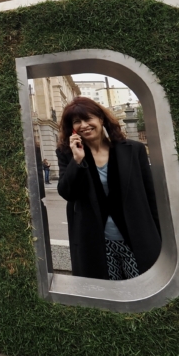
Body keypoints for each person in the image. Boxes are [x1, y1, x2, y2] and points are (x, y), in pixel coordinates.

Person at [56, 97, 161, 281]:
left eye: (88, 119)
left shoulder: (133, 150)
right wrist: (77, 160)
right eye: (77, 122)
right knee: (109, 299)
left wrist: (160, 236)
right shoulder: (69, 154)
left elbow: (150, 196)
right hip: (96, 243)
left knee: (142, 292)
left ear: (101, 119)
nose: (84, 125)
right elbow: (67, 193)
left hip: (136, 238)